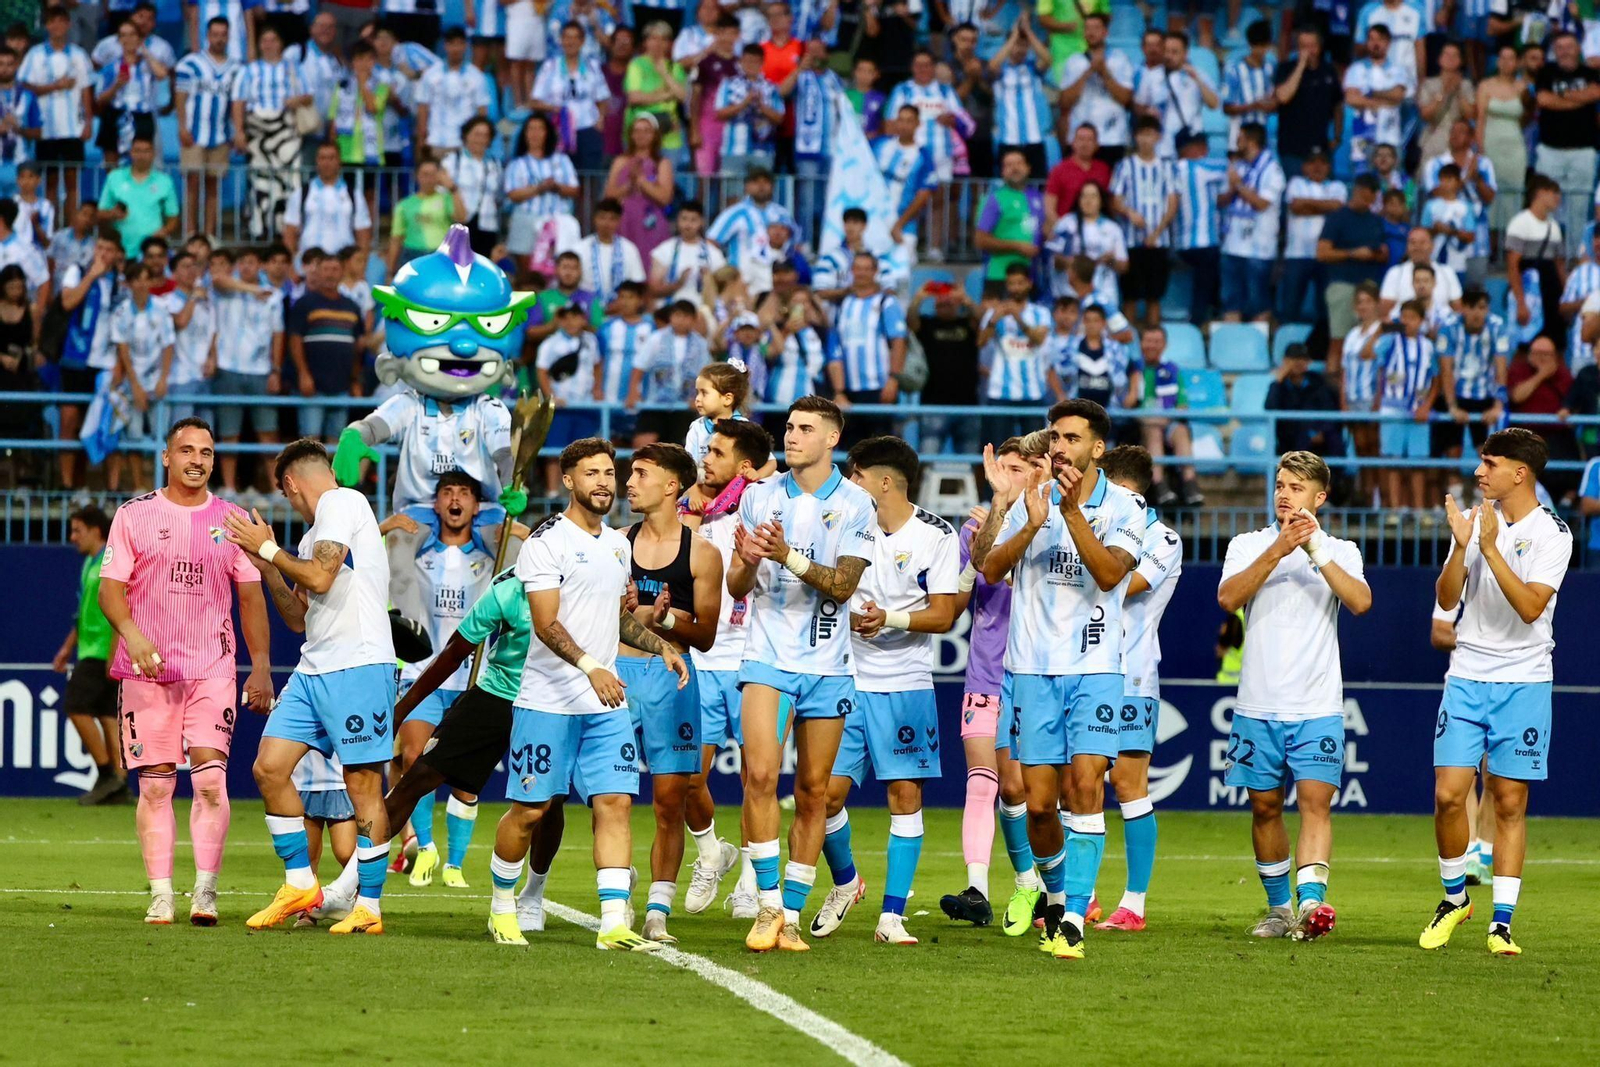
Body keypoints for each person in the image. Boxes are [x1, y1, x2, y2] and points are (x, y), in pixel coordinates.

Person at [489, 437, 687, 951]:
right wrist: (591, 666)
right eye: (591, 473)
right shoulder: (546, 542)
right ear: (568, 481)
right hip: (548, 701)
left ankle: (613, 923)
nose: (603, 482)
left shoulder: (617, 546)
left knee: (616, 803)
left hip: (605, 702)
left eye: (608, 473)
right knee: (530, 811)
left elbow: (616, 617)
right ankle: (502, 905)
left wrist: (659, 644)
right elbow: (546, 624)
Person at [968, 398, 1144, 959]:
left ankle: (1073, 919)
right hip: (1030, 669)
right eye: (1055, 438)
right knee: (1040, 805)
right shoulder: (1031, 498)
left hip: (1095, 669)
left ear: (1098, 448)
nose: (1060, 447)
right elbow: (988, 566)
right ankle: (1058, 896)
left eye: (1072, 438)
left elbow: (1111, 574)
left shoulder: (1126, 506)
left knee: (1085, 786)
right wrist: (1025, 516)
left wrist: (1069, 514)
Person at [98, 418, 273, 925]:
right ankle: (160, 895)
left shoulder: (233, 521)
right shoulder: (134, 515)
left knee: (211, 782)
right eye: (187, 450)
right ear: (167, 457)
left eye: (206, 452)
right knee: (155, 787)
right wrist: (132, 635)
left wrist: (261, 665)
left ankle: (205, 892)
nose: (197, 460)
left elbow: (250, 598)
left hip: (211, 668)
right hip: (147, 671)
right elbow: (110, 590)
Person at [227, 438, 396, 936]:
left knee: (362, 785)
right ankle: (300, 883)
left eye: (285, 493)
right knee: (269, 767)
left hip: (359, 665)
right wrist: (268, 568)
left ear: (290, 483)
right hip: (314, 668)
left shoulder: (344, 502)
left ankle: (369, 906)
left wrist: (267, 548)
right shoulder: (309, 539)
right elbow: (299, 617)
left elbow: (321, 578)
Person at [727, 395, 874, 952]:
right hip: (767, 656)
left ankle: (790, 914)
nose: (791, 436)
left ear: (832, 439)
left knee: (814, 793)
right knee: (761, 776)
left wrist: (786, 555)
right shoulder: (759, 496)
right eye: (789, 427)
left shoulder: (856, 503)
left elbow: (844, 585)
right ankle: (767, 904)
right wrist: (747, 562)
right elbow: (737, 587)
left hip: (828, 665)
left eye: (805, 428)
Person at [805, 437, 957, 946]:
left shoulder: (937, 534)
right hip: (845, 677)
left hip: (904, 683)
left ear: (884, 482)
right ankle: (847, 882)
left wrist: (887, 617)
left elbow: (944, 613)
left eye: (857, 476)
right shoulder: (843, 523)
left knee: (904, 796)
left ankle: (892, 916)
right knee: (824, 796)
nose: (849, 483)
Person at [1425, 429, 1571, 957]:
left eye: (1489, 464)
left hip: (1525, 681)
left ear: (1519, 473)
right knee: (1448, 795)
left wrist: (1488, 547)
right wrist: (1462, 547)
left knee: (1509, 801)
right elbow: (1447, 598)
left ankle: (1501, 924)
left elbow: (1531, 607)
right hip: (1467, 676)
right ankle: (1454, 900)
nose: (1478, 472)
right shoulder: (1473, 520)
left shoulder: (1553, 533)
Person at [1216, 450, 1371, 941]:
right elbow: (1228, 598)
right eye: (1281, 484)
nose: (1284, 494)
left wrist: (1314, 550)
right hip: (1257, 704)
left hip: (1317, 705)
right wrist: (1278, 550)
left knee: (1314, 805)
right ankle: (1279, 909)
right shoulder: (1247, 544)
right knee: (1264, 808)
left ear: (1319, 498)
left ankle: (1311, 905)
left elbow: (1361, 602)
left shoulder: (1341, 550)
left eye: (1296, 487)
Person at [618, 443, 721, 943]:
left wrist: (668, 620)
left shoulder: (702, 553)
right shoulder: (616, 543)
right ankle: (618, 888)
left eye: (641, 474)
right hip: (617, 675)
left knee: (669, 801)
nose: (629, 482)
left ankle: (657, 911)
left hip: (671, 677)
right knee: (610, 799)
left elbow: (706, 635)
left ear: (671, 486)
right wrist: (630, 614)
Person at [382, 473, 504, 889]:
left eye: (464, 494)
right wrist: (388, 526)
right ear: (436, 505)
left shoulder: (492, 559)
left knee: (466, 781)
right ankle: (426, 847)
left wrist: (515, 527)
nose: (455, 500)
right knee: (414, 758)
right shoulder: (416, 555)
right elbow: (374, 561)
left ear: (476, 506)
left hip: (474, 679)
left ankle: (454, 864)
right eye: (447, 493)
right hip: (424, 673)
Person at [678, 419, 773, 917]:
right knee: (687, 779)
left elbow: (776, 470)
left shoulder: (764, 506)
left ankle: (753, 881)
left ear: (744, 466)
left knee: (757, 781)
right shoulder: (690, 512)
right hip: (699, 659)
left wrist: (756, 479)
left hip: (753, 661)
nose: (705, 459)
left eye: (716, 452)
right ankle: (712, 852)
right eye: (706, 450)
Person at [1089, 444, 1181, 932]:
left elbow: (1120, 584)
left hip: (1132, 673)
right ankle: (1082, 897)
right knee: (1078, 782)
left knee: (1127, 783)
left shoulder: (1162, 538)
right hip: (1084, 667)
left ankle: (1134, 904)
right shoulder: (1098, 526)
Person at [55, 506, 126, 806]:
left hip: (102, 651)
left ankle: (107, 773)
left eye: (77, 530)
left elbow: (124, 607)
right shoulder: (89, 564)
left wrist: (115, 650)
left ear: (96, 530)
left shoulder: (113, 561)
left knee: (75, 706)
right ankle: (119, 786)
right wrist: (67, 648)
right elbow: (82, 612)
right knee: (108, 714)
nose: (72, 537)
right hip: (90, 649)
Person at [230, 27, 313, 240]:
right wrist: (239, 131)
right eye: (264, 40)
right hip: (258, 130)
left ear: (281, 44)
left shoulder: (294, 69)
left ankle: (286, 228)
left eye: (273, 40)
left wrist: (296, 100)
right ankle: (259, 227)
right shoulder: (248, 70)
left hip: (286, 131)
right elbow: (238, 102)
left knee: (289, 179)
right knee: (260, 178)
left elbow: (309, 96)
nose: (268, 44)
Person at [19, 6, 94, 217]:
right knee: (49, 181)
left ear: (68, 24)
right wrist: (55, 86)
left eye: (62, 21)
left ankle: (72, 226)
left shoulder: (79, 55)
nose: (57, 26)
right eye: (53, 21)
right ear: (46, 26)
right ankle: (51, 225)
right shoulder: (35, 55)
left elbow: (86, 90)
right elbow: (26, 86)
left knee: (72, 181)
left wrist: (88, 123)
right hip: (46, 129)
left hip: (73, 128)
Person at [825, 252, 907, 440]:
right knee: (852, 447)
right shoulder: (842, 305)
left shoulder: (886, 303)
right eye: (857, 268)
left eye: (866, 269)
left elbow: (899, 342)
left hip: (879, 388)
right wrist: (839, 391)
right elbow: (835, 351)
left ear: (875, 272)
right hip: (850, 391)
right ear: (852, 271)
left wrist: (893, 379)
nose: (861, 273)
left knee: (881, 446)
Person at [1532, 32, 1599, 258]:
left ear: (1578, 49)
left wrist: (1560, 97)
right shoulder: (1546, 72)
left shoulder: (1591, 72)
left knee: (1578, 208)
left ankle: (1574, 257)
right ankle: (1545, 256)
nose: (1565, 51)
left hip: (1583, 150)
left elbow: (1596, 93)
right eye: (1559, 47)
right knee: (1545, 205)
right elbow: (1543, 100)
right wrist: (1579, 99)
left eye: (1569, 46)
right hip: (1550, 150)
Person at [287, 251, 365, 442]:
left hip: (342, 385)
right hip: (313, 386)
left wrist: (355, 380)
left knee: (336, 442)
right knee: (310, 442)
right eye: (326, 269)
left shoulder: (352, 306)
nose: (330, 274)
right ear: (318, 272)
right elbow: (294, 341)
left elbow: (357, 346)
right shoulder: (304, 304)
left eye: (335, 269)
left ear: (342, 272)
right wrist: (303, 374)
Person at [1109, 115, 1178, 328]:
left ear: (1158, 137)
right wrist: (1130, 213)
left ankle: (1152, 337)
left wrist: (1157, 232)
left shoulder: (1167, 167)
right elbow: (1116, 200)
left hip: (1159, 241)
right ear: (1136, 137)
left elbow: (1172, 203)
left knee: (1154, 296)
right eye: (1142, 134)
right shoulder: (1125, 166)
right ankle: (1128, 340)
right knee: (1130, 295)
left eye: (1150, 134)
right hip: (1131, 241)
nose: (1146, 139)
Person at [174, 16, 238, 241]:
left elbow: (236, 103)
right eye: (215, 34)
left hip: (221, 135)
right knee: (192, 182)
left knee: (214, 184)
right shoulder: (190, 63)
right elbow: (180, 97)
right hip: (194, 133)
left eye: (223, 35)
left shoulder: (235, 68)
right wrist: (182, 127)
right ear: (208, 36)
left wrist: (234, 131)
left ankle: (210, 234)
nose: (219, 39)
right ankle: (190, 232)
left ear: (228, 37)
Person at [1316, 176, 1388, 377]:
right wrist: (1352, 253)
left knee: (1369, 337)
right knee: (1339, 339)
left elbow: (1384, 253)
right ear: (1355, 191)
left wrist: (1374, 254)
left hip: (1369, 285)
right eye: (1362, 195)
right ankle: (1331, 386)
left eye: (1370, 197)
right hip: (1343, 283)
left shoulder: (1375, 221)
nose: (1365, 200)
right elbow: (1322, 253)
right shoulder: (1337, 218)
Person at [1127, 324, 1201, 506]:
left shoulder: (1173, 370)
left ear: (1164, 345)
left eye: (1157, 341)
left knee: (1181, 431)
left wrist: (1166, 419)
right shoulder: (1132, 368)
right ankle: (1161, 487)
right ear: (1140, 343)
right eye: (1148, 341)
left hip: (1168, 421)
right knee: (1153, 431)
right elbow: (1128, 404)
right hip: (1141, 424)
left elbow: (1182, 405)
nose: (1152, 345)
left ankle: (1191, 486)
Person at [1219, 122, 1284, 324]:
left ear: (1251, 140)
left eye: (1240, 137)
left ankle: (1258, 341)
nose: (1236, 142)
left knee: (1258, 301)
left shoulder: (1272, 170)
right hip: (1232, 244)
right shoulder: (1237, 167)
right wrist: (1233, 187)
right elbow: (1221, 201)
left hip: (1258, 247)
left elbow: (1261, 203)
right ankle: (1230, 340)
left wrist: (1238, 184)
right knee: (1230, 300)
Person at [978, 262, 1052, 441]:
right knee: (1000, 448)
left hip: (1033, 392)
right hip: (1001, 392)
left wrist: (1018, 318)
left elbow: (1038, 339)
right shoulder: (995, 314)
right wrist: (993, 320)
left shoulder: (1041, 313)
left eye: (1020, 283)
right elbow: (981, 342)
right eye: (1011, 283)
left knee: (1034, 450)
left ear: (1029, 283)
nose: (1015, 288)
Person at [1437, 288, 1511, 461]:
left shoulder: (1497, 327)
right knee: (1452, 453)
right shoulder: (1448, 328)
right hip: (1455, 394)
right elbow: (1446, 370)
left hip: (1484, 396)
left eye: (1481, 307)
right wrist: (1452, 406)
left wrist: (1498, 405)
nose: (1476, 313)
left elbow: (1501, 369)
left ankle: (1483, 482)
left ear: (1488, 309)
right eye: (1471, 307)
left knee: (1487, 454)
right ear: (1462, 308)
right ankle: (1453, 479)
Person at [1056, 16, 1133, 175]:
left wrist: (1104, 72)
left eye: (1096, 28)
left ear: (1105, 32)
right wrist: (1088, 72)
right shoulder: (1074, 61)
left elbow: (1125, 99)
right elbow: (1064, 102)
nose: (1091, 32)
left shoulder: (1120, 60)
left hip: (1112, 137)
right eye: (1087, 28)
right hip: (1080, 138)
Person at [531, 20, 611, 171]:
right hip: (559, 130)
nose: (570, 42)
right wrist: (554, 109)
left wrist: (600, 120)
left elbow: (603, 97)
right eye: (567, 37)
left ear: (582, 41)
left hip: (588, 128)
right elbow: (534, 101)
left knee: (589, 174)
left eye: (575, 38)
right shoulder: (550, 66)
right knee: (561, 173)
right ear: (561, 40)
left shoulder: (592, 66)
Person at [284, 141, 373, 270]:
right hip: (309, 266)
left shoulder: (354, 195)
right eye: (323, 158)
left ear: (339, 161)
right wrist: (291, 268)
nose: (327, 163)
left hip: (343, 265)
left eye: (331, 158)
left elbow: (363, 234)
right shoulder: (302, 194)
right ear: (317, 161)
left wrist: (361, 266)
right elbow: (290, 231)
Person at [1280, 150, 1344, 327]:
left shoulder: (1337, 186)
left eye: (1322, 163)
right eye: (1313, 162)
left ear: (1329, 167)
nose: (1317, 167)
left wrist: (1307, 203)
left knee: (1325, 309)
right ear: (1304, 167)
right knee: (1290, 307)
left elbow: (1337, 208)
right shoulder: (1296, 182)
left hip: (1325, 255)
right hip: (1297, 255)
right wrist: (1325, 207)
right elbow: (1295, 207)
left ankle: (1320, 341)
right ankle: (1286, 340)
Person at [504, 113, 580, 260]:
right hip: (527, 220)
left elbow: (575, 190)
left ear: (547, 133)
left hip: (558, 220)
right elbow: (513, 194)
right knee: (527, 269)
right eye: (531, 129)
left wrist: (556, 187)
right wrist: (539, 188)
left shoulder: (562, 160)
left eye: (540, 129)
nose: (535, 133)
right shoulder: (516, 164)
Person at [1504, 175, 1567, 351]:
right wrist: (1521, 303)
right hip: (1530, 294)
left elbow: (1559, 266)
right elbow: (1513, 266)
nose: (1558, 198)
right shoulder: (1520, 223)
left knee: (1555, 344)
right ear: (1539, 193)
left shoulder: (1554, 227)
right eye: (1553, 192)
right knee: (1527, 345)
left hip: (1551, 294)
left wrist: (1565, 297)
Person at [1133, 31, 1218, 158]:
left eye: (1174, 52)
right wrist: (1147, 112)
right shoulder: (1151, 76)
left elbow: (1214, 104)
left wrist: (1197, 80)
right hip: (1160, 146)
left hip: (1188, 143)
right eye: (1166, 51)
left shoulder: (1197, 74)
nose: (1169, 56)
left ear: (1185, 53)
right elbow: (1138, 107)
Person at [1170, 131, 1225, 326]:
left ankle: (1206, 316)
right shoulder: (1200, 167)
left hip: (1181, 241)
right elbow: (1232, 170)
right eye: (1203, 148)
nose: (1206, 152)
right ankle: (1199, 321)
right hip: (1202, 240)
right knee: (1205, 284)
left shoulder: (1172, 169)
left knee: (1208, 280)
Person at [873, 104, 940, 265]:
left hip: (904, 228)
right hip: (875, 223)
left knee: (901, 273)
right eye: (901, 120)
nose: (904, 125)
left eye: (909, 121)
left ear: (918, 124)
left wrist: (898, 225)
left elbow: (923, 196)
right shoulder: (879, 145)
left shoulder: (923, 156)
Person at [1273, 25, 1342, 179]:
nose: (1308, 51)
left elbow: (1338, 104)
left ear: (1319, 47)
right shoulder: (1285, 68)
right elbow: (1283, 97)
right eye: (1303, 46)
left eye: (1312, 46)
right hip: (1292, 150)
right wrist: (1300, 66)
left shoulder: (1328, 71)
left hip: (1321, 150)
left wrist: (1337, 136)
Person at [604, 114, 675, 263]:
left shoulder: (662, 163)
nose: (641, 135)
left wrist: (642, 181)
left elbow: (665, 197)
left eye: (646, 131)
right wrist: (628, 186)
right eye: (637, 130)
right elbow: (609, 195)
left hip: (651, 223)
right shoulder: (621, 161)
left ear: (655, 135)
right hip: (625, 221)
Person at [414, 27, 491, 162]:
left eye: (459, 44)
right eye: (452, 44)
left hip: (464, 144)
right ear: (445, 46)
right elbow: (423, 107)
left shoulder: (476, 76)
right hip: (435, 140)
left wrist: (478, 141)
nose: (456, 48)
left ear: (465, 46)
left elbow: (482, 111)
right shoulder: (431, 74)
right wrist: (421, 138)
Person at [1474, 45, 1528, 237]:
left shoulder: (1522, 87)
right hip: (1491, 143)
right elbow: (1480, 119)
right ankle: (1490, 240)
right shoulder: (1485, 85)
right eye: (1502, 58)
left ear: (1517, 62)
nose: (1506, 62)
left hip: (1515, 145)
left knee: (1514, 191)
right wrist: (1480, 149)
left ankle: (1511, 239)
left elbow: (1526, 118)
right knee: (1491, 189)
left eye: (1511, 58)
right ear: (1497, 62)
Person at [95, 136, 177, 261]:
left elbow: (173, 217)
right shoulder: (114, 177)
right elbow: (100, 213)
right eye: (137, 150)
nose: (141, 155)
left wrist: (164, 232)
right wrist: (112, 214)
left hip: (149, 253)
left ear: (153, 154)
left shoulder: (165, 181)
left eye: (146, 151)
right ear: (131, 153)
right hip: (120, 251)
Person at [1342, 24, 1412, 171]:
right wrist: (1384, 101)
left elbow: (1397, 96)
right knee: (1363, 180)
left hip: (1390, 138)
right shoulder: (1356, 69)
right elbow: (1351, 98)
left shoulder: (1398, 70)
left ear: (1388, 43)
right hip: (1362, 137)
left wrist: (1370, 92)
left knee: (1391, 181)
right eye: (1371, 39)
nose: (1375, 43)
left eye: (1380, 39)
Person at [975, 149, 1045, 285]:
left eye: (1019, 163)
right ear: (1002, 172)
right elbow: (980, 240)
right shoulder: (994, 199)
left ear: (1028, 168)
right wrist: (1017, 246)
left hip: (1031, 276)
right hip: (1001, 276)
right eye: (1009, 165)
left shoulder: (1039, 198)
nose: (1015, 168)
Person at [387, 159, 466, 278]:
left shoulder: (446, 199)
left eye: (433, 175)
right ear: (417, 176)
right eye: (425, 174)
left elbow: (462, 217)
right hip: (412, 255)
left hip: (440, 256)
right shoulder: (404, 205)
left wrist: (453, 189)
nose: (429, 179)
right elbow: (396, 239)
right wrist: (390, 271)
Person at [575, 197, 645, 315]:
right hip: (587, 311)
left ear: (619, 221)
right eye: (602, 217)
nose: (606, 223)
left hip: (621, 311)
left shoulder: (629, 249)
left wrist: (620, 303)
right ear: (594, 219)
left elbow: (637, 284)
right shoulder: (580, 248)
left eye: (612, 219)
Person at [650, 200, 726, 306]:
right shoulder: (664, 250)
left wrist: (709, 280)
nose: (688, 225)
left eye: (693, 220)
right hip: (670, 309)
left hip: (703, 310)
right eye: (684, 219)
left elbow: (724, 287)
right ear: (677, 220)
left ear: (702, 222)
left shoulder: (714, 253)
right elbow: (653, 290)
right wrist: (678, 284)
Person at [1045, 123, 1113, 233]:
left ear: (1096, 145)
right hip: (1067, 231)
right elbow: (1049, 208)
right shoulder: (1059, 170)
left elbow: (1110, 204)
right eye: (1081, 139)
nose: (1085, 144)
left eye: (1089, 140)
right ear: (1073, 143)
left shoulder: (1104, 170)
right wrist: (1061, 230)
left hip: (1098, 232)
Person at [1222, 20, 1278, 152]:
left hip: (1263, 134)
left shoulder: (1271, 68)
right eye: (1256, 46)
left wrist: (1272, 105)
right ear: (1249, 44)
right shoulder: (1234, 70)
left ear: (1269, 45)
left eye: (1263, 46)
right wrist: (1253, 106)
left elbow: (1276, 100)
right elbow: (1227, 108)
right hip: (1238, 133)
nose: (1260, 50)